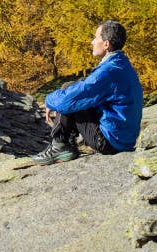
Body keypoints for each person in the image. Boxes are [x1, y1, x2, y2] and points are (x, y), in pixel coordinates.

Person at [31, 20, 144, 165]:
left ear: (106, 44)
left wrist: (49, 101)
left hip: (110, 142)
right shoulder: (121, 64)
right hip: (123, 139)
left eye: (96, 38)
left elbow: (68, 101)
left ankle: (60, 145)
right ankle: (65, 144)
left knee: (71, 97)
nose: (92, 42)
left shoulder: (109, 71)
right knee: (72, 89)